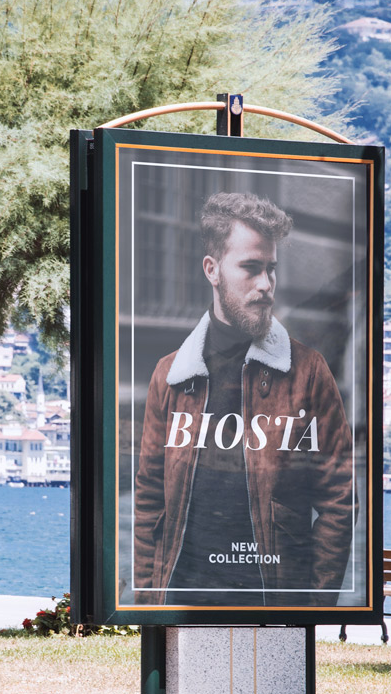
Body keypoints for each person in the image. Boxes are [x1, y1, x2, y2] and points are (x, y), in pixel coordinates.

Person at [133, 191, 356, 609]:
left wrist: (312, 604)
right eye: (251, 268)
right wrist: (148, 602)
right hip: (182, 596)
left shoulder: (308, 372)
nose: (266, 284)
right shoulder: (170, 374)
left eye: (271, 269)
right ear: (212, 270)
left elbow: (339, 501)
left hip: (275, 598)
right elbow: (148, 498)